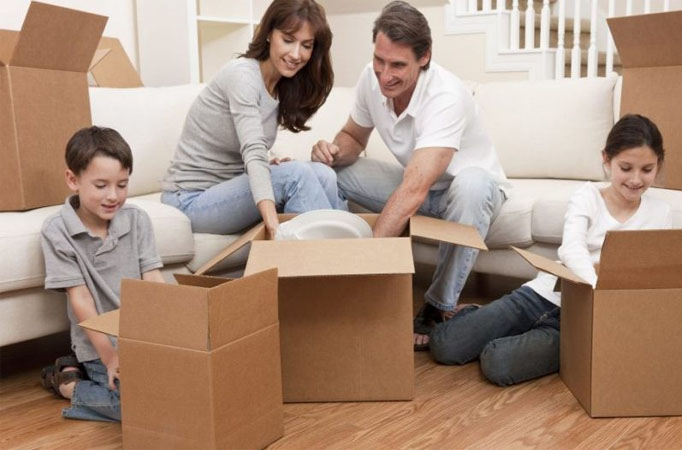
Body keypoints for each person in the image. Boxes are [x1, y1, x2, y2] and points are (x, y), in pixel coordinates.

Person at [311, 1, 512, 350]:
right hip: (420, 187)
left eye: (398, 65)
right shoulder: (369, 79)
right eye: (379, 60)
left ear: (424, 58)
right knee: (325, 173)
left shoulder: (445, 95)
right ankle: (325, 276)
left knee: (472, 184)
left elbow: (415, 188)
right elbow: (355, 137)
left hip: (464, 194)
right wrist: (331, 151)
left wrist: (366, 264)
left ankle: (437, 306)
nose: (385, 75)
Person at [428, 114, 673, 386]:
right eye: (626, 168)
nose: (636, 179)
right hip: (542, 295)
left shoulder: (660, 214)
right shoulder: (588, 196)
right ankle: (478, 315)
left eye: (647, 170)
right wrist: (597, 288)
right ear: (606, 160)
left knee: (497, 363)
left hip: (580, 319)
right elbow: (572, 248)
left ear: (658, 165)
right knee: (445, 346)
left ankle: (504, 333)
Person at [162, 0, 344, 238]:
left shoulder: (282, 85)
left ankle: (346, 254)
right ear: (269, 33)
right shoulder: (242, 76)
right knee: (295, 175)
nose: (296, 54)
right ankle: (329, 262)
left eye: (306, 45)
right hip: (191, 199)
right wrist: (273, 227)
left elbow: (249, 150)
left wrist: (273, 164)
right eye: (288, 40)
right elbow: (252, 148)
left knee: (325, 175)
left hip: (231, 187)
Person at [40, 127, 166, 422]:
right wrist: (110, 357)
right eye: (101, 185)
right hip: (99, 346)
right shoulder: (57, 231)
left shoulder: (137, 220)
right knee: (138, 408)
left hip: (143, 337)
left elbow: (154, 279)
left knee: (180, 391)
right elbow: (80, 299)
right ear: (73, 180)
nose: (113, 196)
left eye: (122, 185)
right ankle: (69, 385)